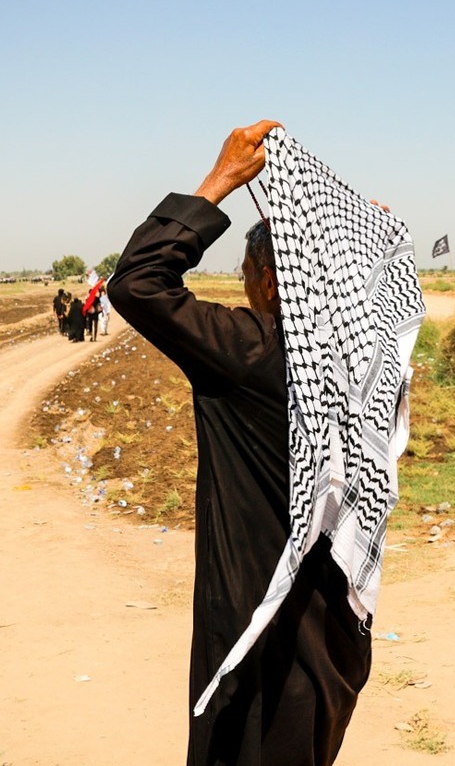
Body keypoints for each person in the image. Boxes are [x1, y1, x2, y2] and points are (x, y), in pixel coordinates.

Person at [108, 120, 371, 765]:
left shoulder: (252, 353)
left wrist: (221, 179)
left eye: (250, 267)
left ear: (271, 279)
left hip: (257, 637)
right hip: (335, 636)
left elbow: (138, 283)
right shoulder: (370, 366)